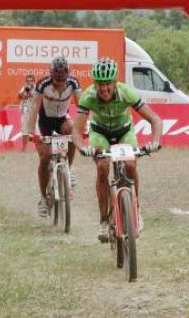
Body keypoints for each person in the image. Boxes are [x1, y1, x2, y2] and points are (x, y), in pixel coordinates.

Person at [72, 58, 162, 242]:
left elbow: (154, 119)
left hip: (124, 131)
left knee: (130, 164)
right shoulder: (88, 96)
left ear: (115, 83)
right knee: (103, 166)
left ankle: (135, 211)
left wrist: (154, 141)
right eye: (100, 86)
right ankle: (104, 220)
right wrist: (82, 147)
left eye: (108, 85)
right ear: (95, 84)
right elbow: (76, 130)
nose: (104, 90)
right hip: (100, 132)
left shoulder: (125, 92)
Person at [27, 56, 82, 217]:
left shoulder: (73, 83)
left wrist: (84, 127)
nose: (59, 85)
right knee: (45, 158)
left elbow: (82, 107)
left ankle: (69, 169)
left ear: (67, 76)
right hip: (43, 122)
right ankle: (43, 198)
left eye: (62, 81)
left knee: (73, 132)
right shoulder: (43, 84)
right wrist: (32, 132)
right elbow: (34, 108)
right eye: (56, 81)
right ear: (51, 76)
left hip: (61, 120)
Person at [18, 74, 36, 151]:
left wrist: (29, 91)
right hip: (24, 111)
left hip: (34, 112)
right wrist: (24, 91)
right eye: (27, 81)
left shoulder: (37, 88)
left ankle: (37, 148)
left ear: (34, 81)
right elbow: (19, 97)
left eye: (30, 81)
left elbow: (34, 97)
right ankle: (24, 148)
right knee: (24, 130)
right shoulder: (24, 88)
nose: (29, 82)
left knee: (36, 131)